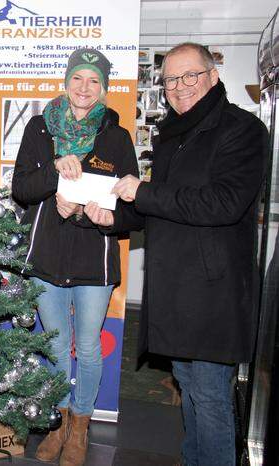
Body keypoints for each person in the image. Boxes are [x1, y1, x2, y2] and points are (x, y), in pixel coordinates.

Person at [110, 42, 267, 466]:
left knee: (212, 395)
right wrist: (110, 216)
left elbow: (222, 203)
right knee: (186, 381)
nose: (180, 87)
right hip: (176, 287)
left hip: (213, 291)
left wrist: (142, 191)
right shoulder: (170, 136)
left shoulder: (243, 130)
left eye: (190, 76)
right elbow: (160, 209)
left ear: (213, 77)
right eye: (170, 80)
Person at [11, 48, 139, 466]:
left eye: (94, 81)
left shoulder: (116, 138)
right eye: (77, 79)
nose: (84, 88)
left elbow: (131, 210)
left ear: (103, 89)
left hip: (93, 262)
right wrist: (53, 175)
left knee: (86, 347)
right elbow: (22, 189)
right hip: (45, 256)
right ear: (66, 83)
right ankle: (59, 421)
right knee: (54, 347)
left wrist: (96, 215)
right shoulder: (39, 129)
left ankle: (80, 425)